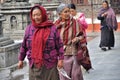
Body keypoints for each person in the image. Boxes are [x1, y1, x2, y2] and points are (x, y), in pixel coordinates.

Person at [17, 5, 64, 80]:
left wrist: (61, 59)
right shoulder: (29, 29)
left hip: (50, 64)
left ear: (43, 14)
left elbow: (59, 45)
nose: (36, 17)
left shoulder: (52, 28)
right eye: (34, 15)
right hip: (34, 65)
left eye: (38, 14)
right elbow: (24, 46)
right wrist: (21, 60)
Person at [54, 3, 92, 80]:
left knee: (76, 75)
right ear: (60, 14)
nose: (68, 13)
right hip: (61, 55)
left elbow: (82, 36)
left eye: (68, 11)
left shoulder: (75, 23)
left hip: (74, 53)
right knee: (64, 76)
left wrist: (77, 39)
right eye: (65, 12)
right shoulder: (55, 25)